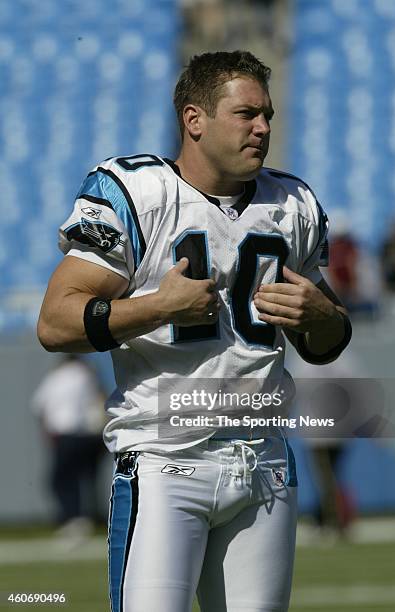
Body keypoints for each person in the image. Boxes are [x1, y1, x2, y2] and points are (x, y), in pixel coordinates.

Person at [38, 51, 351, 612]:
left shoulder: (294, 203)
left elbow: (326, 343)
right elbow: (56, 322)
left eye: (270, 115)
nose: (263, 128)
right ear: (194, 119)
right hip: (165, 460)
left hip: (264, 464)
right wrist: (158, 307)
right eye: (247, 114)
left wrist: (323, 316)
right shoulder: (138, 193)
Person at [31, 354, 106, 537]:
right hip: (89, 435)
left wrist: (47, 431)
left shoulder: (56, 377)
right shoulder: (87, 374)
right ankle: (90, 517)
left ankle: (74, 518)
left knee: (62, 479)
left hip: (65, 435)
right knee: (88, 478)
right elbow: (100, 401)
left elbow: (39, 405)